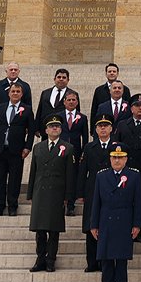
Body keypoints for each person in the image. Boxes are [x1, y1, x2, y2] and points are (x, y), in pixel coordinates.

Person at [90, 143, 141, 282]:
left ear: (126, 159)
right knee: (106, 260)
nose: (117, 161)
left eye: (120, 158)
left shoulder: (133, 176)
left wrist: (137, 224)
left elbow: (138, 202)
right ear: (110, 159)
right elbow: (96, 202)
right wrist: (94, 224)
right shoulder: (101, 176)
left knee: (121, 260)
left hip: (124, 220)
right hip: (106, 220)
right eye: (114, 157)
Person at [26, 116, 73, 272]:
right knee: (40, 230)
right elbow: (33, 171)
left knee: (53, 229)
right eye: (51, 126)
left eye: (57, 126)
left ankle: (51, 259)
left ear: (61, 130)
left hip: (57, 193)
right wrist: (30, 193)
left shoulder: (67, 147)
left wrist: (67, 196)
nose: (54, 128)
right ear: (46, 130)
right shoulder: (38, 148)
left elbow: (69, 173)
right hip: (40, 191)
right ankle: (40, 258)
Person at [0, 81, 33, 216]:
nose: (15, 94)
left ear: (21, 94)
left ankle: (13, 206)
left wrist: (27, 147)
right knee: (0, 178)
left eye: (18, 92)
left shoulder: (26, 109)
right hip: (1, 149)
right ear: (8, 93)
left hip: (17, 150)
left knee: (15, 179)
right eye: (13, 91)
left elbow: (31, 130)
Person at [78, 115, 116, 272]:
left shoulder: (116, 147)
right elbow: (82, 171)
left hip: (111, 190)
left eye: (106, 125)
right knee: (91, 226)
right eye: (100, 125)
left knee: (107, 226)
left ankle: (105, 261)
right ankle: (92, 262)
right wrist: (80, 192)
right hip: (93, 190)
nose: (103, 128)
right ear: (95, 129)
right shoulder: (89, 147)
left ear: (111, 129)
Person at [55, 90, 87, 216]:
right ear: (64, 102)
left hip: (76, 152)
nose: (71, 102)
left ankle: (71, 205)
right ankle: (59, 204)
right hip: (60, 151)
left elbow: (85, 137)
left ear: (77, 102)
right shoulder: (58, 116)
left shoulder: (82, 117)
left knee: (72, 178)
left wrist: (83, 153)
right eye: (69, 100)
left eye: (74, 100)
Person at [35, 68, 75, 137]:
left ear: (68, 80)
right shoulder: (45, 93)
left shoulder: (73, 94)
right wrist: (36, 128)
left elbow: (75, 112)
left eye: (64, 77)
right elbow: (40, 110)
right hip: (46, 129)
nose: (61, 79)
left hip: (63, 130)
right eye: (59, 77)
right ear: (54, 79)